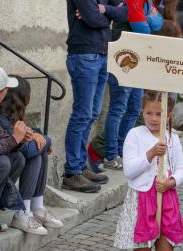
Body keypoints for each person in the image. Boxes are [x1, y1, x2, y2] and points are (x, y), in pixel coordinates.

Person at [63, 0, 128, 193]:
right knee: (82, 115)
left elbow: (124, 13)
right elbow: (92, 19)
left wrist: (105, 10)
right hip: (84, 55)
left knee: (92, 114)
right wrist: (108, 16)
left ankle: (81, 167)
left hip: (102, 55)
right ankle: (72, 172)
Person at [114, 91, 183, 250]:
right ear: (143, 112)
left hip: (166, 195)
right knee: (142, 245)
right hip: (142, 198)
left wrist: (172, 182)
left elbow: (182, 168)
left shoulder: (172, 138)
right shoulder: (135, 135)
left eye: (159, 114)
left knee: (166, 244)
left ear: (168, 115)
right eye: (149, 113)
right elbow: (129, 171)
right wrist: (151, 153)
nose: (154, 118)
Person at [98, 0, 163, 170]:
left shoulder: (146, 1)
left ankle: (123, 150)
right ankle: (111, 156)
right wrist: (149, 19)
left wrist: (148, 19)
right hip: (124, 58)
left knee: (134, 108)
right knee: (118, 108)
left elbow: (159, 23)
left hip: (137, 60)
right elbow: (144, 29)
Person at [0, 75, 63, 235]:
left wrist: (35, 135)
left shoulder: (10, 116)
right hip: (0, 182)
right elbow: (25, 149)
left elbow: (28, 137)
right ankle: (23, 212)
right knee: (35, 151)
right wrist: (45, 140)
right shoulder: (0, 118)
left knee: (39, 152)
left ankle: (36, 207)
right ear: (19, 97)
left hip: (4, 175)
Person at [0, 66, 26, 235]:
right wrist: (13, 139)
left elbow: (0, 137)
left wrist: (20, 139)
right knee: (2, 162)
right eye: (6, 89)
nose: (7, 92)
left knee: (17, 158)